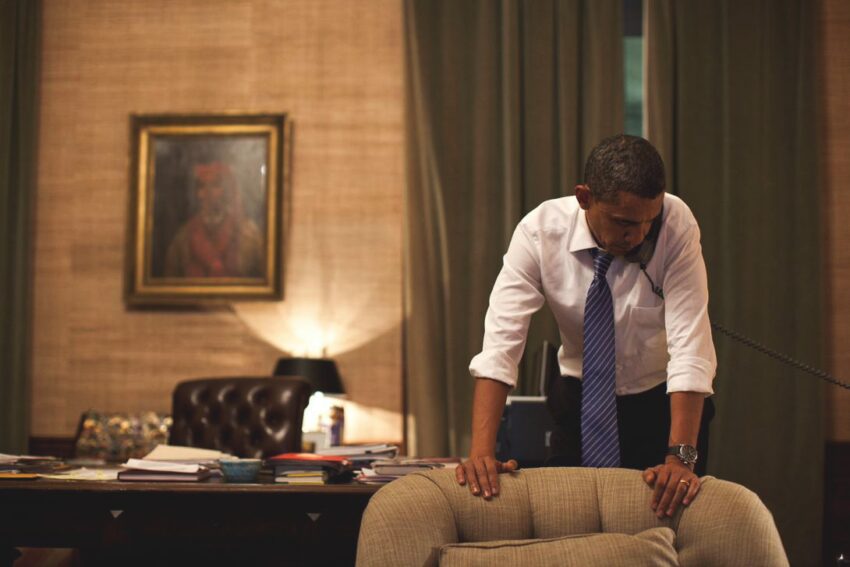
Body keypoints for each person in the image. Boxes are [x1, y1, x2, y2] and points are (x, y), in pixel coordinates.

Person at [456, 135, 716, 520]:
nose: (640, 234)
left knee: (664, 531)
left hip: (662, 405)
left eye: (649, 220)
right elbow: (501, 344)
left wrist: (680, 456)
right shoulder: (539, 232)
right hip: (581, 401)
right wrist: (482, 452)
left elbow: (691, 347)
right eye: (625, 222)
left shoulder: (676, 224)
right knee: (570, 525)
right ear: (584, 197)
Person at [164, 161, 264, 279]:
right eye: (202, 186)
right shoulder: (183, 237)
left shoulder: (249, 234)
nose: (207, 193)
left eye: (215, 185)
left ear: (227, 191)